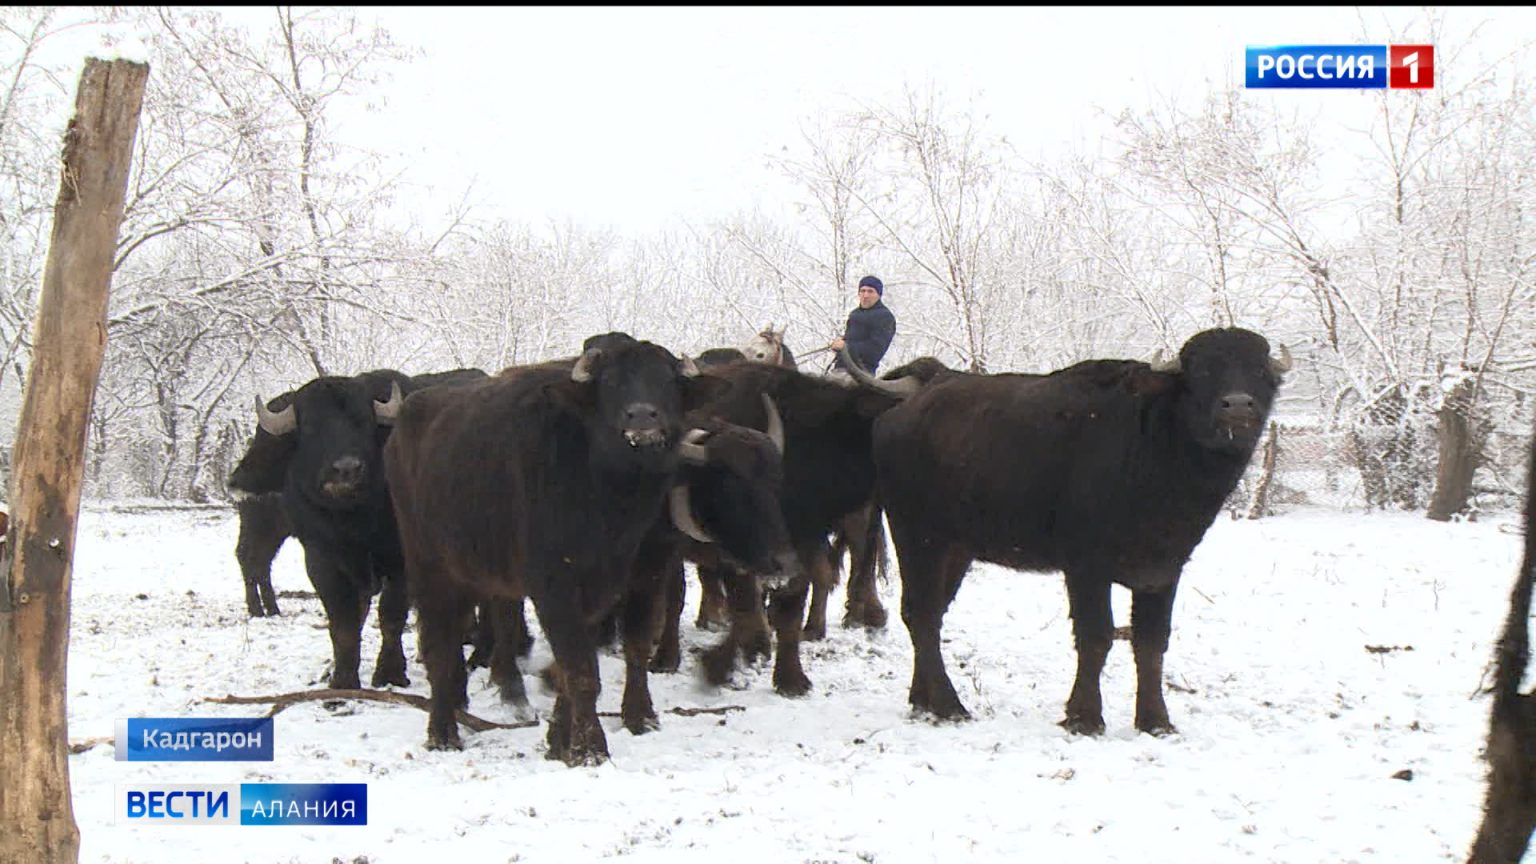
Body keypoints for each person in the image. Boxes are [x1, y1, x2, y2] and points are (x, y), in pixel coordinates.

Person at [829, 275, 896, 377]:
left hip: (861, 375)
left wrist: (845, 346)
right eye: (862, 291)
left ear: (879, 295)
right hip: (840, 370)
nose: (865, 295)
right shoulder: (854, 314)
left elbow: (875, 351)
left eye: (870, 291)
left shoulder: (885, 317)